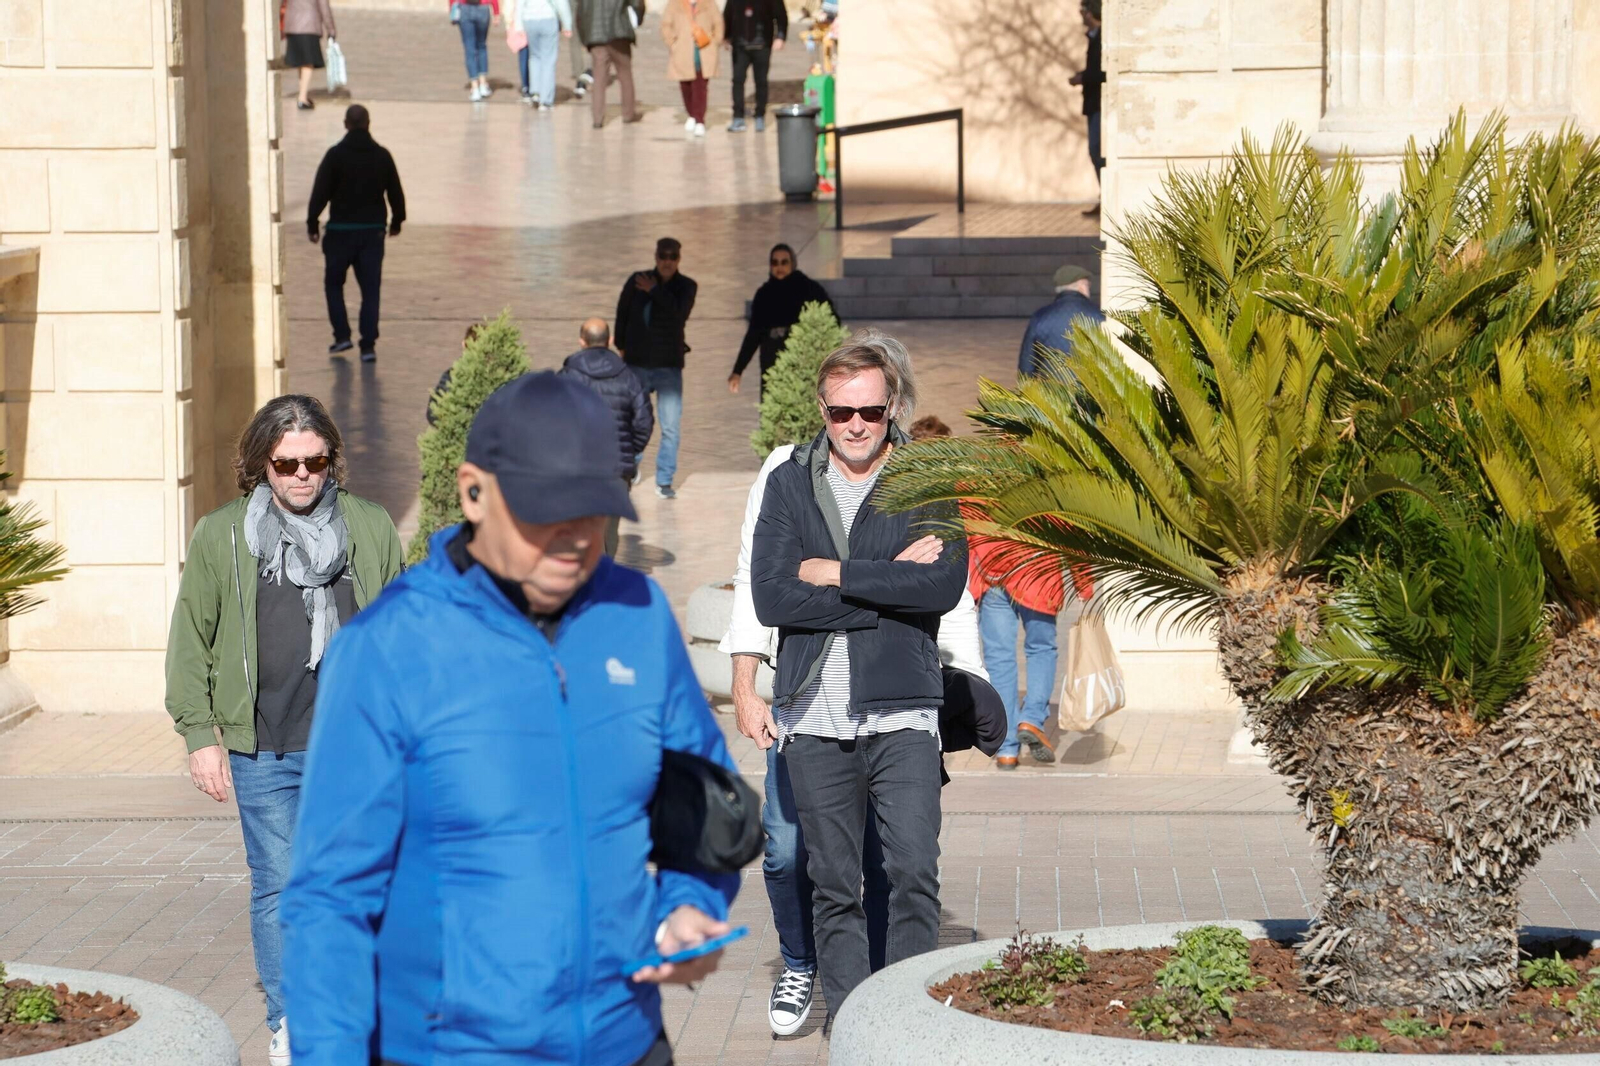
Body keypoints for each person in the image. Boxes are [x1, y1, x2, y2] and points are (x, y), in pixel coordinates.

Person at [280, 372, 738, 1066]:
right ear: (473, 491)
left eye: (591, 511)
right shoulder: (388, 648)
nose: (574, 539)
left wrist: (688, 904)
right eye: (543, 512)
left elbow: (703, 804)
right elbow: (328, 901)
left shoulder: (639, 616)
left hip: (626, 1040)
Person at [722, 377, 983, 1036]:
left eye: (871, 409)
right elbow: (773, 598)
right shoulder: (787, 480)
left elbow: (943, 585)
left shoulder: (923, 477)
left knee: (910, 872)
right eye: (844, 410)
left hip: (902, 710)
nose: (857, 423)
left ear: (891, 408)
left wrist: (834, 571)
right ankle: (849, 1020)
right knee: (826, 877)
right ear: (823, 410)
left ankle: (905, 1022)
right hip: (812, 713)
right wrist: (890, 580)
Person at [164, 395, 402, 1066]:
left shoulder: (371, 527)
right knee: (281, 884)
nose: (302, 475)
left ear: (331, 461)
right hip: (265, 747)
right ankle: (291, 1022)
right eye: (287, 463)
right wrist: (200, 734)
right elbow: (192, 640)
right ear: (259, 465)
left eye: (316, 461)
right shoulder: (221, 534)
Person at [307, 105, 406, 364]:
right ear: (368, 123)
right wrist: (397, 221)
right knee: (370, 290)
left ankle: (342, 335)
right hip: (372, 234)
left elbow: (320, 192)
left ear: (345, 124)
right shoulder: (382, 155)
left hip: (339, 233)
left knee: (333, 284)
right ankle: (368, 345)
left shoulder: (335, 155)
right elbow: (395, 192)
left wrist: (312, 223)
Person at [560, 317, 654, 555]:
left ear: (581, 341)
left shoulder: (567, 376)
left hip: (579, 468)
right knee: (609, 534)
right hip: (616, 469)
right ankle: (604, 581)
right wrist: (630, 452)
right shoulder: (629, 376)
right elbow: (644, 421)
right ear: (610, 340)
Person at [616, 237, 697, 499]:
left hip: (668, 366)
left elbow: (678, 314)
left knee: (670, 425)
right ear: (656, 256)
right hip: (637, 364)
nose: (667, 262)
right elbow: (623, 313)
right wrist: (621, 345)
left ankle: (664, 480)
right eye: (663, 256)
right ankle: (632, 466)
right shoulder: (636, 280)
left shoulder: (686, 287)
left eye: (672, 257)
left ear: (679, 259)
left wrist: (654, 291)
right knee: (635, 421)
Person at [729, 244, 834, 399]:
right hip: (771, 365)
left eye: (784, 262)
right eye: (775, 263)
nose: (779, 267)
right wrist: (738, 371)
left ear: (792, 264)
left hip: (801, 365)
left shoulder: (809, 289)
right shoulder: (764, 295)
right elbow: (753, 335)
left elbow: (830, 320)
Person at [1018, 264, 1103, 378]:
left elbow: (1026, 367)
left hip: (1053, 391)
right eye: (1088, 285)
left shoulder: (1040, 317)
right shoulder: (1099, 316)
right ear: (1081, 286)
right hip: (1091, 392)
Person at [662, 0, 723, 137]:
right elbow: (666, 25)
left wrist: (715, 41)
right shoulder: (674, 4)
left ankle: (700, 119)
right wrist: (672, 43)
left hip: (704, 51)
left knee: (700, 87)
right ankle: (692, 114)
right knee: (685, 86)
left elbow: (718, 23)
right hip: (682, 52)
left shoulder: (709, 4)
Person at [580, 0, 645, 128]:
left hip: (596, 35)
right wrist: (638, 19)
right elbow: (638, 4)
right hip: (619, 32)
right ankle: (628, 114)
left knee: (599, 78)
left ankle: (597, 118)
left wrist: (586, 37)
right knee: (625, 75)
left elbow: (581, 11)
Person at [722, 0, 785, 131]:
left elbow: (781, 15)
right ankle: (738, 117)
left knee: (761, 82)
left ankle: (760, 115)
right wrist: (726, 37)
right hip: (740, 45)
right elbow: (727, 15)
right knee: (738, 81)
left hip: (762, 44)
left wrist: (780, 36)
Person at [1068, 0, 1105, 216]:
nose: (1080, 15)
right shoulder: (1094, 38)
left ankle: (1107, 198)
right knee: (1095, 150)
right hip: (1093, 104)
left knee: (1097, 150)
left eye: (1082, 10)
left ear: (1090, 13)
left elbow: (1103, 72)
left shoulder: (1101, 39)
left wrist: (1082, 77)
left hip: (1099, 104)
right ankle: (1105, 196)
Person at [512, 0, 574, 109]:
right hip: (548, 18)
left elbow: (520, 4)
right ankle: (546, 100)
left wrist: (519, 25)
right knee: (548, 59)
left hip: (529, 19)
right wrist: (567, 24)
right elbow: (561, 3)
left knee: (534, 56)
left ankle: (535, 91)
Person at [282, 0, 336, 110]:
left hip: (292, 25)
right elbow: (324, 8)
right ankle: (302, 98)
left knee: (301, 61)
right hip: (309, 26)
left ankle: (303, 94)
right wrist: (331, 30)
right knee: (308, 62)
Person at [454, 0, 501, 103]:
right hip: (483, 8)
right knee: (481, 46)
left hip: (465, 7)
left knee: (469, 48)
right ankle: (483, 84)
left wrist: (452, 9)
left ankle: (475, 87)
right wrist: (496, 12)